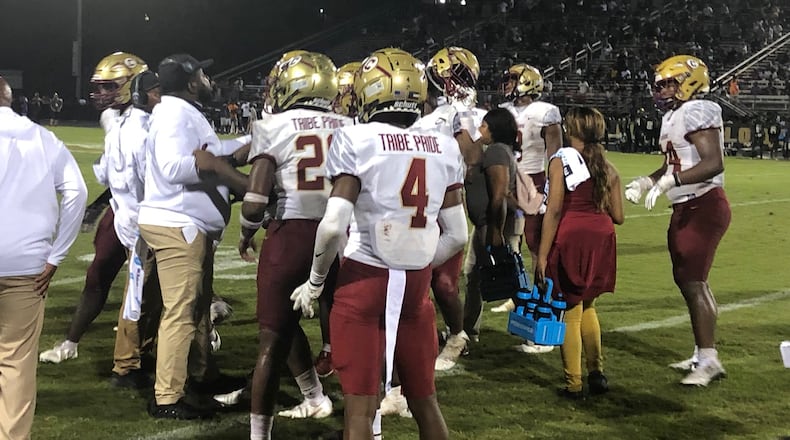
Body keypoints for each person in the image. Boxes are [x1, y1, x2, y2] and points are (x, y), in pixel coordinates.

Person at [290, 48, 467, 440]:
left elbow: (334, 225)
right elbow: (458, 235)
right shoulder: (444, 145)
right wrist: (413, 263)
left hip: (363, 284)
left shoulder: (356, 138)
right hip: (415, 293)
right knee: (425, 402)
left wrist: (316, 283)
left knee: (360, 409)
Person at [239, 51, 347, 440]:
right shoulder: (350, 124)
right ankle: (365, 423)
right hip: (342, 239)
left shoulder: (273, 126)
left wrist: (247, 231)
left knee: (272, 338)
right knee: (353, 338)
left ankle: (259, 435)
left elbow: (254, 201)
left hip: (292, 236)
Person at [139, 53, 249, 419]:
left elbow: (214, 154)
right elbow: (175, 167)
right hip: (177, 225)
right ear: (190, 82)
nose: (207, 78)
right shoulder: (174, 113)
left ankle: (202, 374)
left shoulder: (178, 110)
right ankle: (167, 397)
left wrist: (247, 145)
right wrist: (218, 166)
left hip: (183, 224)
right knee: (182, 312)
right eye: (202, 73)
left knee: (197, 309)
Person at [624, 55, 730, 387]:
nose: (662, 90)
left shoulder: (698, 110)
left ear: (690, 81)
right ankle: (703, 353)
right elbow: (673, 163)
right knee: (689, 281)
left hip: (703, 204)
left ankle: (709, 359)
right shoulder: (675, 115)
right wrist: (648, 181)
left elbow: (713, 162)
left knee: (694, 282)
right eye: (661, 84)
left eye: (670, 83)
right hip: (686, 206)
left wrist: (673, 182)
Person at [39, 52, 149, 366]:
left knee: (153, 290)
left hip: (151, 216)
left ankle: (200, 327)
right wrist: (99, 206)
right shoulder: (111, 117)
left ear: (133, 83)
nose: (101, 94)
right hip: (121, 209)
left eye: (109, 86)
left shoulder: (151, 123)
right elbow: (120, 174)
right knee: (97, 274)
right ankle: (70, 343)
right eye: (98, 87)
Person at [0, 76, 88, 439]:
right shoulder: (42, 137)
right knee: (16, 362)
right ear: (10, 98)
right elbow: (77, 192)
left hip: (26, 265)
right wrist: (57, 255)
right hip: (27, 265)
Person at [534, 106, 624, 398]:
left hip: (573, 237)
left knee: (570, 311)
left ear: (572, 131)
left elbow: (555, 209)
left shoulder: (561, 161)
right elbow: (619, 216)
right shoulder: (608, 168)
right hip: (602, 236)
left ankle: (573, 383)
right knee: (589, 306)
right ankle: (596, 373)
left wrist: (542, 255)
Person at [417, 46, 486, 371]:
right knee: (420, 279)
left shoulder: (467, 114)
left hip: (446, 204)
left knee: (442, 283)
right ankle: (420, 339)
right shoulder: (426, 115)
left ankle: (457, 335)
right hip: (418, 202)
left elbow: (472, 158)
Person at [492, 63, 563, 355]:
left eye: (512, 79)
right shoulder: (503, 110)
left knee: (537, 247)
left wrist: (547, 191)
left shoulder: (545, 111)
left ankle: (544, 312)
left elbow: (555, 155)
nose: (507, 83)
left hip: (533, 180)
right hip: (508, 178)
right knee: (507, 243)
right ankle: (518, 295)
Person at [462, 108, 522, 344]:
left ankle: (533, 331)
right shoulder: (498, 150)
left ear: (495, 128)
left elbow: (499, 195)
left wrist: (495, 232)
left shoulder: (497, 151)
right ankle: (468, 331)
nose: (480, 129)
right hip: (488, 224)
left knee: (511, 278)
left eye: (484, 126)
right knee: (474, 276)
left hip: (496, 225)